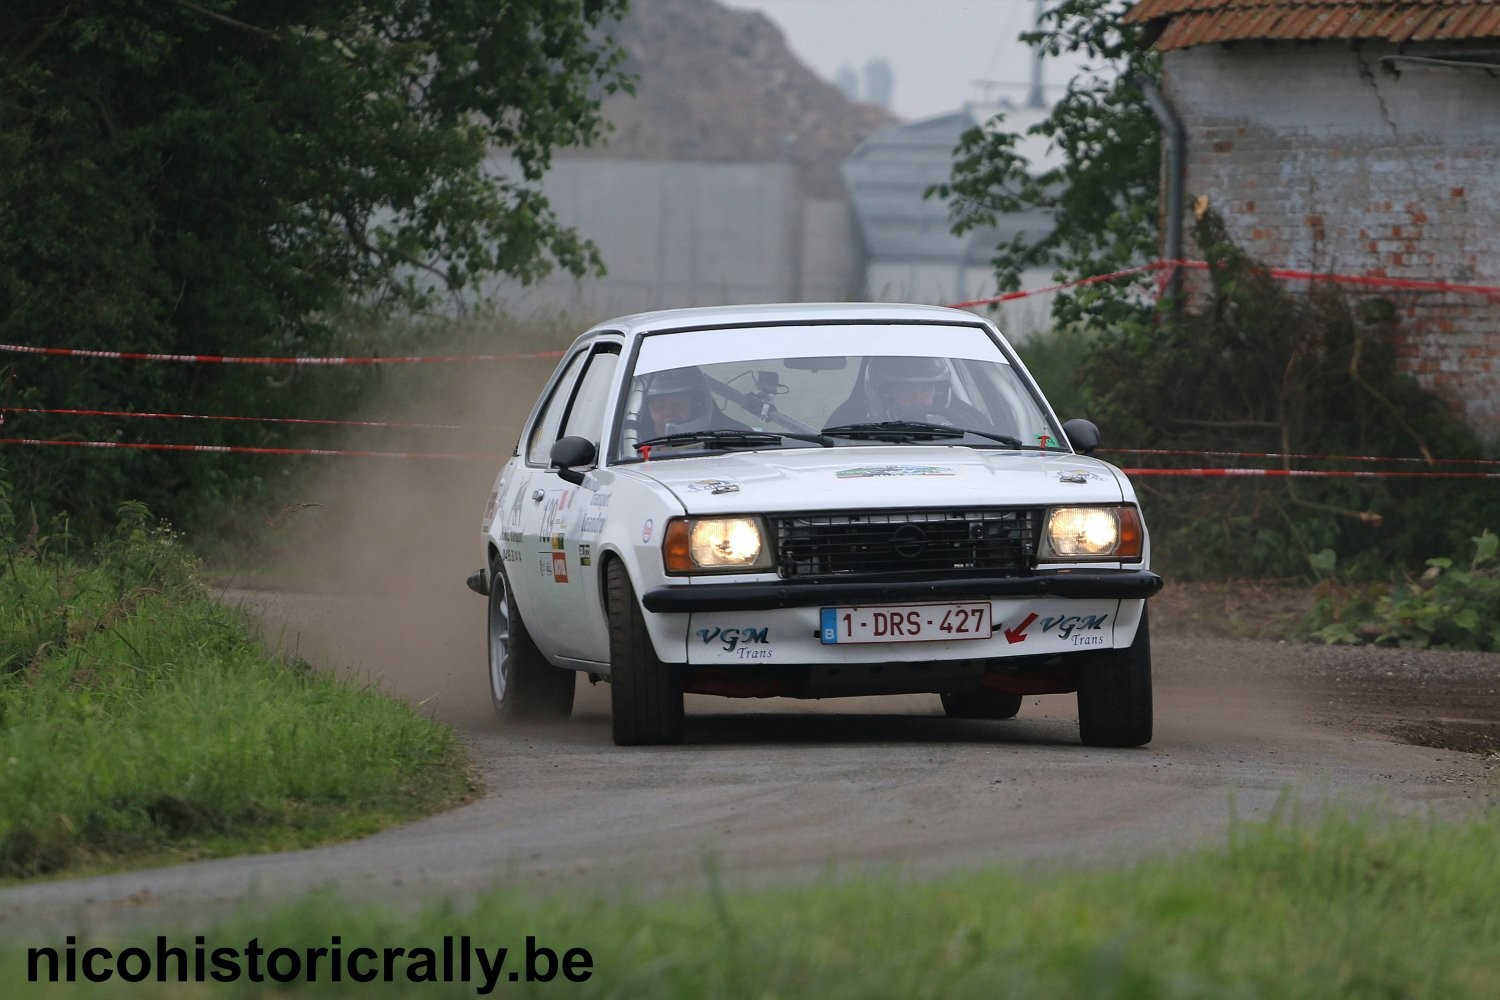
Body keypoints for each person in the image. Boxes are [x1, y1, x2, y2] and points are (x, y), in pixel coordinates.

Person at [827, 355, 987, 427]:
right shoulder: (844, 430)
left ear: (939, 393)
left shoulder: (970, 424)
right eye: (905, 390)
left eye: (925, 389)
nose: (916, 398)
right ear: (883, 394)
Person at [639, 366, 749, 437]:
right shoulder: (628, 451)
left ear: (697, 407)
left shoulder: (740, 440)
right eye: (659, 405)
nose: (669, 412)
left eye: (678, 404)